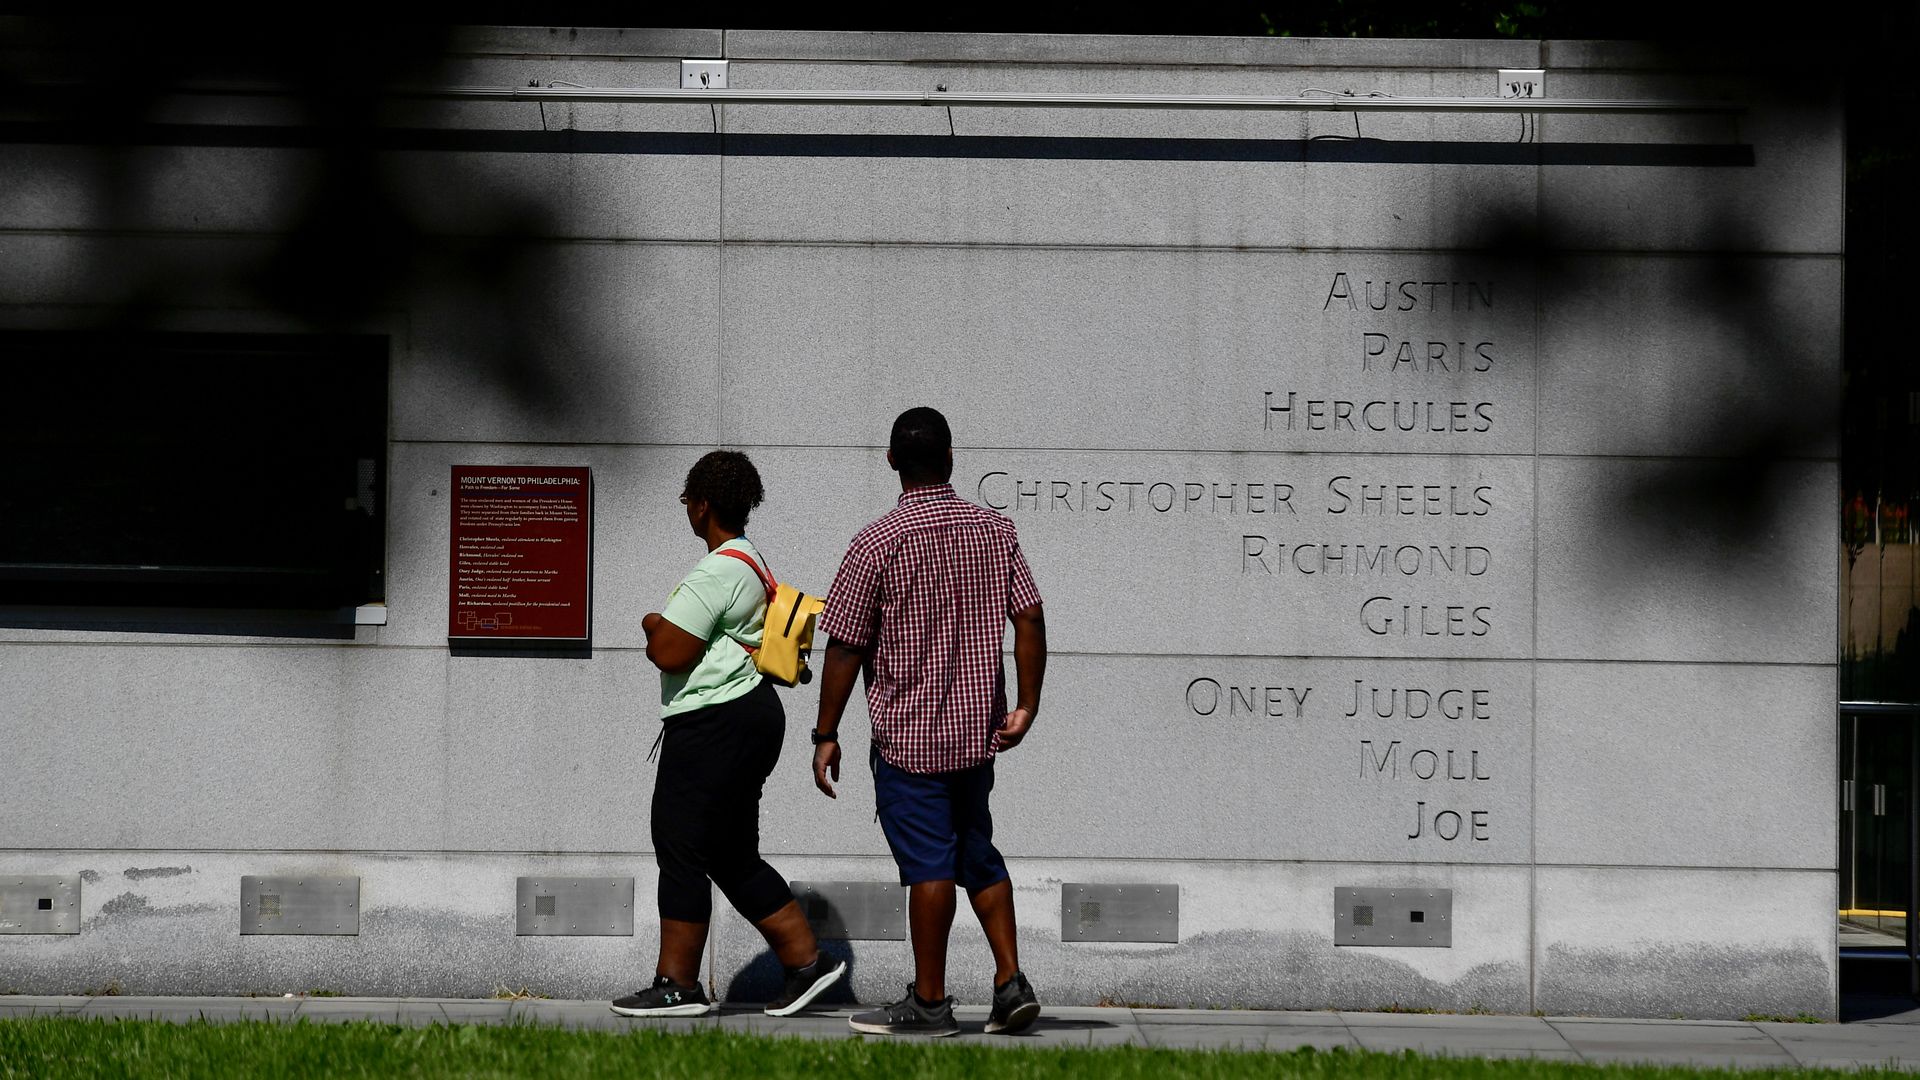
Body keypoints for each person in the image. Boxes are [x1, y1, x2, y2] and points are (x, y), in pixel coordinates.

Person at [812, 407, 1048, 1038]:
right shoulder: (995, 532)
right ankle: (1009, 983)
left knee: (929, 869)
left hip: (909, 742)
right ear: (950, 459)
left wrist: (825, 732)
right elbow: (1029, 617)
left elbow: (844, 646)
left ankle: (932, 1002)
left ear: (892, 462)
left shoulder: (875, 543)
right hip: (978, 736)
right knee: (976, 852)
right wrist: (1025, 705)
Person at [611, 450, 846, 1019]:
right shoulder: (752, 562)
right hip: (749, 717)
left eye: (687, 500)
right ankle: (806, 962)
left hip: (716, 721)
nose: (686, 510)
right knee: (730, 851)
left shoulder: (718, 568)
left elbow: (669, 650)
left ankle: (678, 985)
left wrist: (650, 622)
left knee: (681, 841)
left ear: (704, 505)